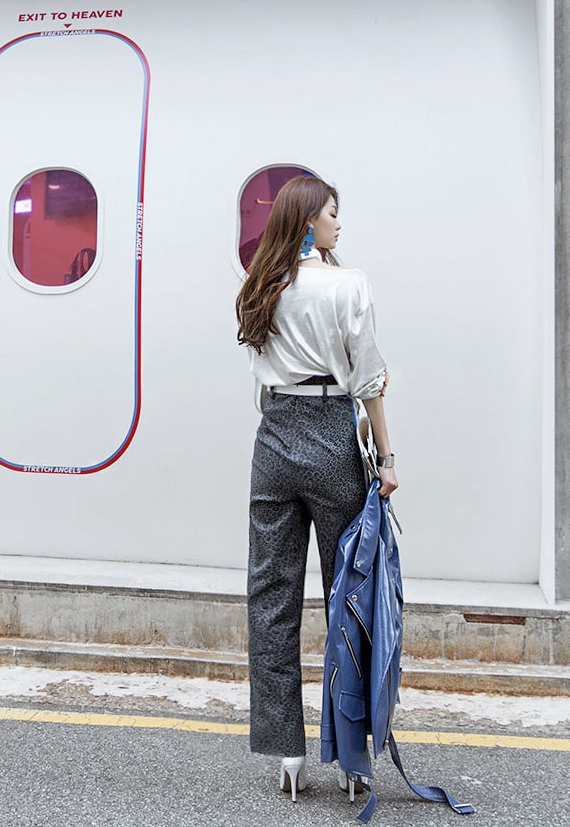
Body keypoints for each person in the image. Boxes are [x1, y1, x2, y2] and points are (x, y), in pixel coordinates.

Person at [235, 174, 397, 801]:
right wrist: (386, 459)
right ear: (309, 222)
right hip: (332, 436)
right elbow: (370, 381)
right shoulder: (348, 284)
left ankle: (287, 753)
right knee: (347, 596)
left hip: (274, 439)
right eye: (332, 213)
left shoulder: (260, 285)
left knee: (270, 597)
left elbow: (260, 373)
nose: (338, 223)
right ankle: (352, 756)